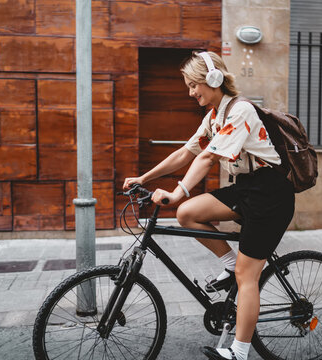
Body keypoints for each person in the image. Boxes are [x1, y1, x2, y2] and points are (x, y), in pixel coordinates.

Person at [123, 51, 295, 360]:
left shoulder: (240, 111)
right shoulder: (214, 116)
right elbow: (186, 153)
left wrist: (177, 192)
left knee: (248, 276)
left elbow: (208, 157)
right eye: (188, 86)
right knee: (187, 213)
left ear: (213, 79)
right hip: (246, 188)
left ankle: (239, 353)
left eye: (193, 85)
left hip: (271, 193)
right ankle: (229, 265)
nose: (191, 93)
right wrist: (143, 177)